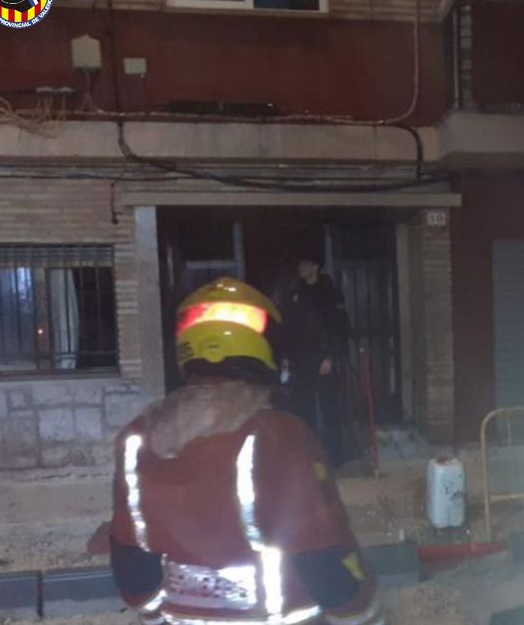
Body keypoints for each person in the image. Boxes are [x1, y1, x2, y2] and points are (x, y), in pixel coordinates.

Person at [108, 277, 381, 625]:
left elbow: (131, 568)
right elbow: (325, 565)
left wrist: (156, 618)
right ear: (264, 348)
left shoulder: (135, 440)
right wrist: (367, 615)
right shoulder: (281, 437)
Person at [279, 259, 353, 465]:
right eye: (300, 264)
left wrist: (330, 357)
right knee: (303, 412)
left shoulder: (328, 292)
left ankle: (335, 457)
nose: (301, 268)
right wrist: (286, 358)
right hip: (300, 361)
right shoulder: (296, 294)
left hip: (323, 362)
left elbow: (338, 328)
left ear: (315, 267)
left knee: (330, 411)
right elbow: (288, 327)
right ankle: (308, 456)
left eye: (306, 264)